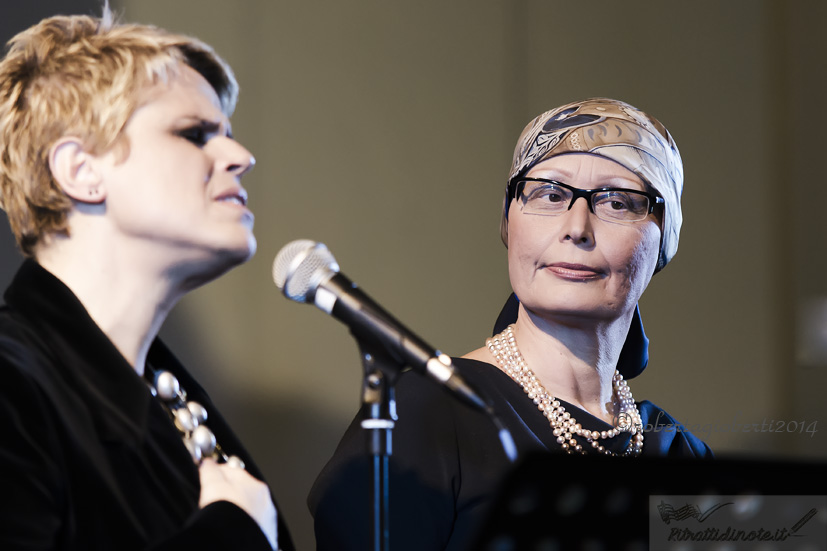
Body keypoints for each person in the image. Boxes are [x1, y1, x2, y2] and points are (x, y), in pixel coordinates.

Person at [308, 98, 713, 550]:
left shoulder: (675, 449)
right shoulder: (426, 413)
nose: (577, 227)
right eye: (550, 194)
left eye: (616, 202)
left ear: (662, 240)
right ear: (508, 221)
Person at [0, 11, 293, 551]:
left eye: (227, 135)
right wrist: (230, 534)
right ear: (81, 171)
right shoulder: (12, 387)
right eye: (195, 134)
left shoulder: (175, 402)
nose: (240, 156)